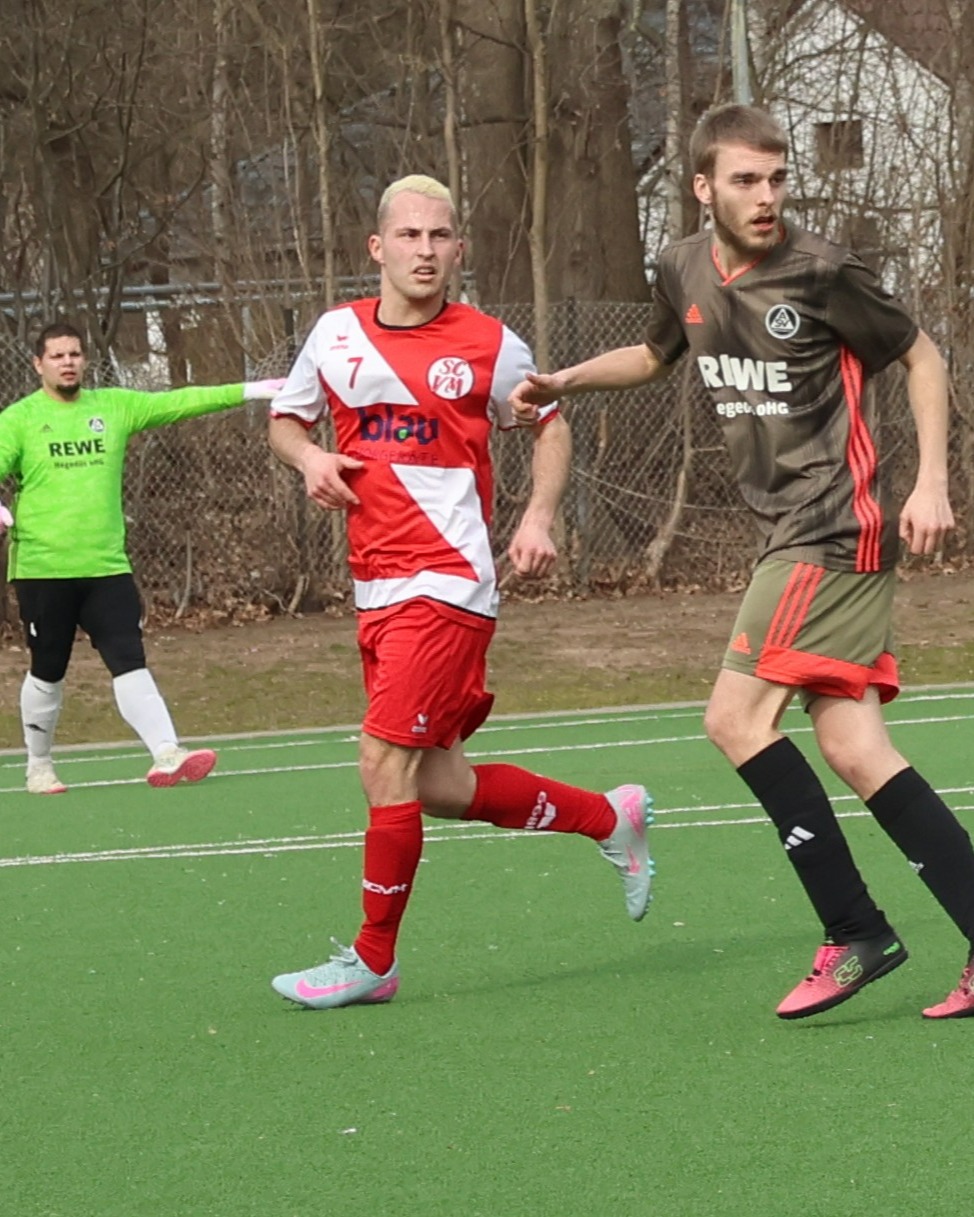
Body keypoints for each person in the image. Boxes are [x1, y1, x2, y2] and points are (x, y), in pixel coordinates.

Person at [510, 104, 974, 1022]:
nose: (766, 197)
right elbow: (653, 354)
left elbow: (921, 356)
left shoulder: (825, 271)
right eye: (745, 180)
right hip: (789, 533)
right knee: (853, 744)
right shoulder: (683, 264)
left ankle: (854, 932)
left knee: (733, 716)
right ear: (702, 187)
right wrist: (563, 380)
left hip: (832, 526)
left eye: (777, 178)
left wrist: (931, 481)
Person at [266, 173, 653, 1010]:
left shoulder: (487, 342)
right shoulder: (334, 335)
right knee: (435, 784)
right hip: (374, 585)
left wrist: (540, 514)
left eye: (441, 237)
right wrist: (311, 461)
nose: (426, 252)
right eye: (409, 236)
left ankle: (372, 962)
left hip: (447, 583)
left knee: (382, 762)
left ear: (459, 248)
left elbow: (549, 420)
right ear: (379, 247)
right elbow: (286, 421)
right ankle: (608, 816)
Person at [0, 322, 284, 794]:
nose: (67, 362)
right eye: (57, 356)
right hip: (43, 570)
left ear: (84, 359)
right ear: (38, 364)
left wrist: (252, 389)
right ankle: (39, 765)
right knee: (48, 669)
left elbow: (181, 402)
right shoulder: (19, 419)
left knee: (128, 659)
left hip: (107, 567)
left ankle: (167, 753)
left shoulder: (114, 406)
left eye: (74, 354)